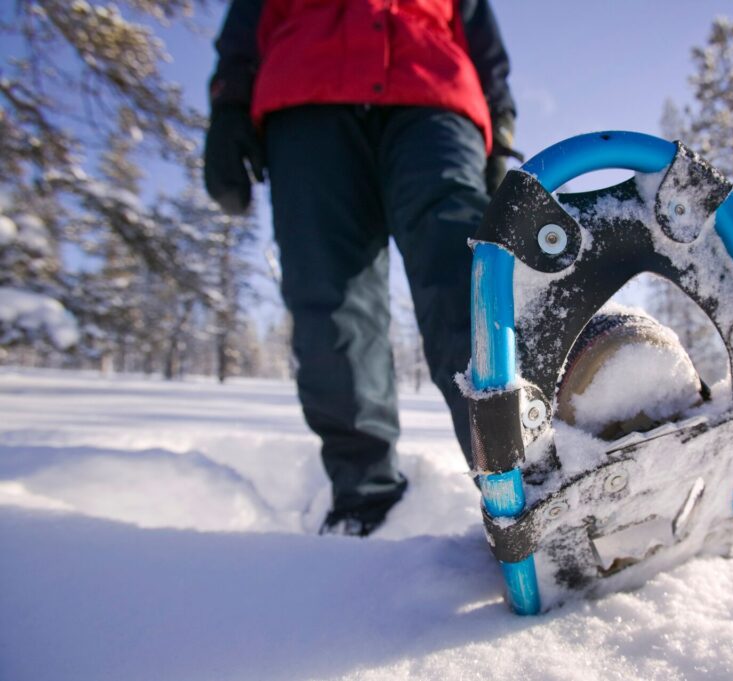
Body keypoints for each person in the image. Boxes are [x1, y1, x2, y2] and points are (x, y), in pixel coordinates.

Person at [204, 0, 517, 536]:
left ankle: (527, 474)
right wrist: (229, 105)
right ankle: (364, 496)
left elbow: (479, 32)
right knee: (330, 298)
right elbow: (248, 20)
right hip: (307, 94)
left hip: (432, 89)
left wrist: (502, 127)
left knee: (467, 274)